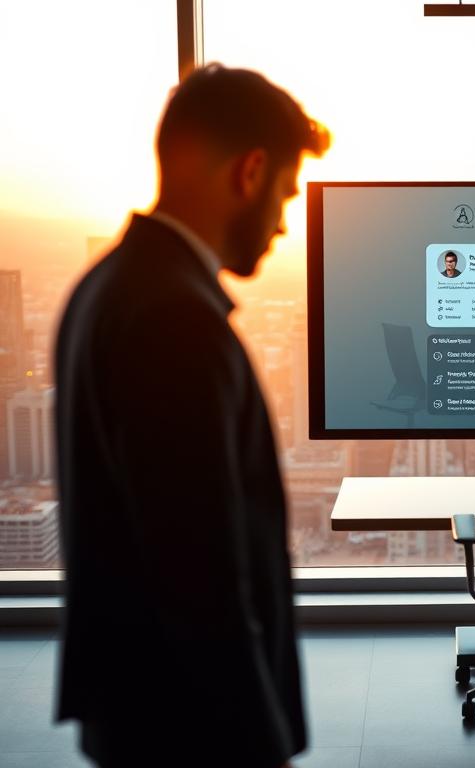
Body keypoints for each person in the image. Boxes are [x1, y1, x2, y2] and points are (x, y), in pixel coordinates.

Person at [54, 64, 330, 768]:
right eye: (286, 194)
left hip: (138, 705)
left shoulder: (104, 287)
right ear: (251, 171)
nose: (281, 223)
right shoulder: (176, 320)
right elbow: (201, 571)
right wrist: (260, 744)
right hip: (190, 725)